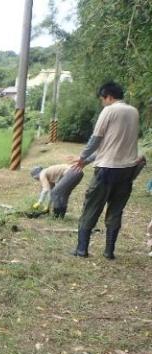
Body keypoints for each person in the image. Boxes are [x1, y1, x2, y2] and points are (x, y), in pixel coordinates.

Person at [71, 82, 141, 259]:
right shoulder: (133, 112)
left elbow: (96, 140)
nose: (102, 103)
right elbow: (112, 145)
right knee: (116, 209)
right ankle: (109, 252)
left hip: (106, 170)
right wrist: (86, 161)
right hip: (128, 169)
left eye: (102, 99)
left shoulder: (109, 111)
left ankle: (81, 250)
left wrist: (81, 157)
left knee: (91, 207)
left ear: (108, 96)